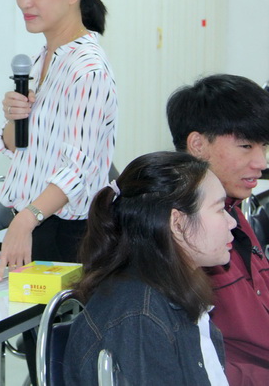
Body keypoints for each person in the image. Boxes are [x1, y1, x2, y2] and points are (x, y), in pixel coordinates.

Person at [0, 0, 117, 274]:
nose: (24, 1)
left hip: (67, 234)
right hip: (35, 222)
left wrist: (27, 219)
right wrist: (14, 118)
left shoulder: (87, 69)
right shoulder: (43, 59)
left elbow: (78, 167)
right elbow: (19, 147)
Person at [64, 151, 233, 385]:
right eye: (220, 209)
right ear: (178, 223)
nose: (232, 222)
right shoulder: (139, 318)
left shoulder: (167, 288)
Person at [167, 74, 269, 384]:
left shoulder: (231, 209)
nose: (261, 162)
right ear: (198, 145)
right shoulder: (180, 232)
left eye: (264, 146)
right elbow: (198, 364)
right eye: (246, 146)